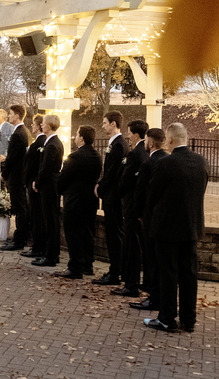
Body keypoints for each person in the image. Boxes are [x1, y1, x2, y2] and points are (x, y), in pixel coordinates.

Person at [143, 123, 208, 333]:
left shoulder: (166, 163)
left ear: (169, 140)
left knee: (168, 273)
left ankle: (167, 318)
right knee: (189, 273)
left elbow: (152, 195)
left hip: (167, 227)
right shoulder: (201, 161)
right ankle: (189, 319)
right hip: (191, 225)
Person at [129, 128, 169, 312]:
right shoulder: (168, 160)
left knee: (150, 257)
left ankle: (153, 296)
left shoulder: (149, 163)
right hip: (163, 216)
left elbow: (141, 191)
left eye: (146, 140)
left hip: (148, 216)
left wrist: (139, 213)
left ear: (151, 143)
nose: (145, 143)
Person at [54, 125, 102, 279]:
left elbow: (63, 178)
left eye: (77, 134)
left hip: (75, 200)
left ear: (81, 138)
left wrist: (60, 190)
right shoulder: (97, 156)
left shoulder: (74, 157)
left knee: (73, 234)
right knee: (88, 232)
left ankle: (75, 267)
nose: (75, 137)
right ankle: (88, 265)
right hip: (91, 200)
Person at [112, 120, 150, 298]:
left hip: (132, 205)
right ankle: (144, 282)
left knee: (132, 245)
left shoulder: (135, 153)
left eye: (129, 133)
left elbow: (126, 180)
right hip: (141, 207)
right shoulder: (147, 152)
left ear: (135, 135)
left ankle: (131, 284)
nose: (127, 136)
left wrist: (119, 192)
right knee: (141, 244)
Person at [93, 111, 127, 286]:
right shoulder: (115, 143)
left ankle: (115, 273)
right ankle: (116, 270)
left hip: (113, 197)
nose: (103, 125)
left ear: (113, 124)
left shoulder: (119, 145)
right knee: (112, 235)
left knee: (114, 235)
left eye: (105, 122)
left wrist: (100, 186)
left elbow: (113, 172)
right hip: (111, 196)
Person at [32, 114, 64, 266]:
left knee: (50, 221)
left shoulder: (52, 144)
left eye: (43, 123)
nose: (41, 125)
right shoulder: (52, 142)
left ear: (49, 126)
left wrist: (37, 183)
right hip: (49, 185)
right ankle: (49, 253)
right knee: (49, 220)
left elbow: (46, 167)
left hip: (49, 186)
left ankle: (51, 256)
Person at [0, 105, 31, 252]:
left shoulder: (18, 134)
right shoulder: (24, 132)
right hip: (20, 175)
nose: (8, 116)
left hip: (17, 177)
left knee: (19, 208)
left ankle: (19, 240)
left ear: (17, 115)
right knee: (20, 207)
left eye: (10, 114)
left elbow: (12, 158)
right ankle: (20, 237)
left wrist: (4, 173)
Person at [21, 115, 46, 259]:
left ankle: (37, 247)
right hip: (36, 183)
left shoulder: (38, 144)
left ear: (39, 126)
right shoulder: (42, 142)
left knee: (36, 217)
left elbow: (30, 165)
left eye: (33, 124)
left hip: (34, 184)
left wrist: (26, 181)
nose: (31, 126)